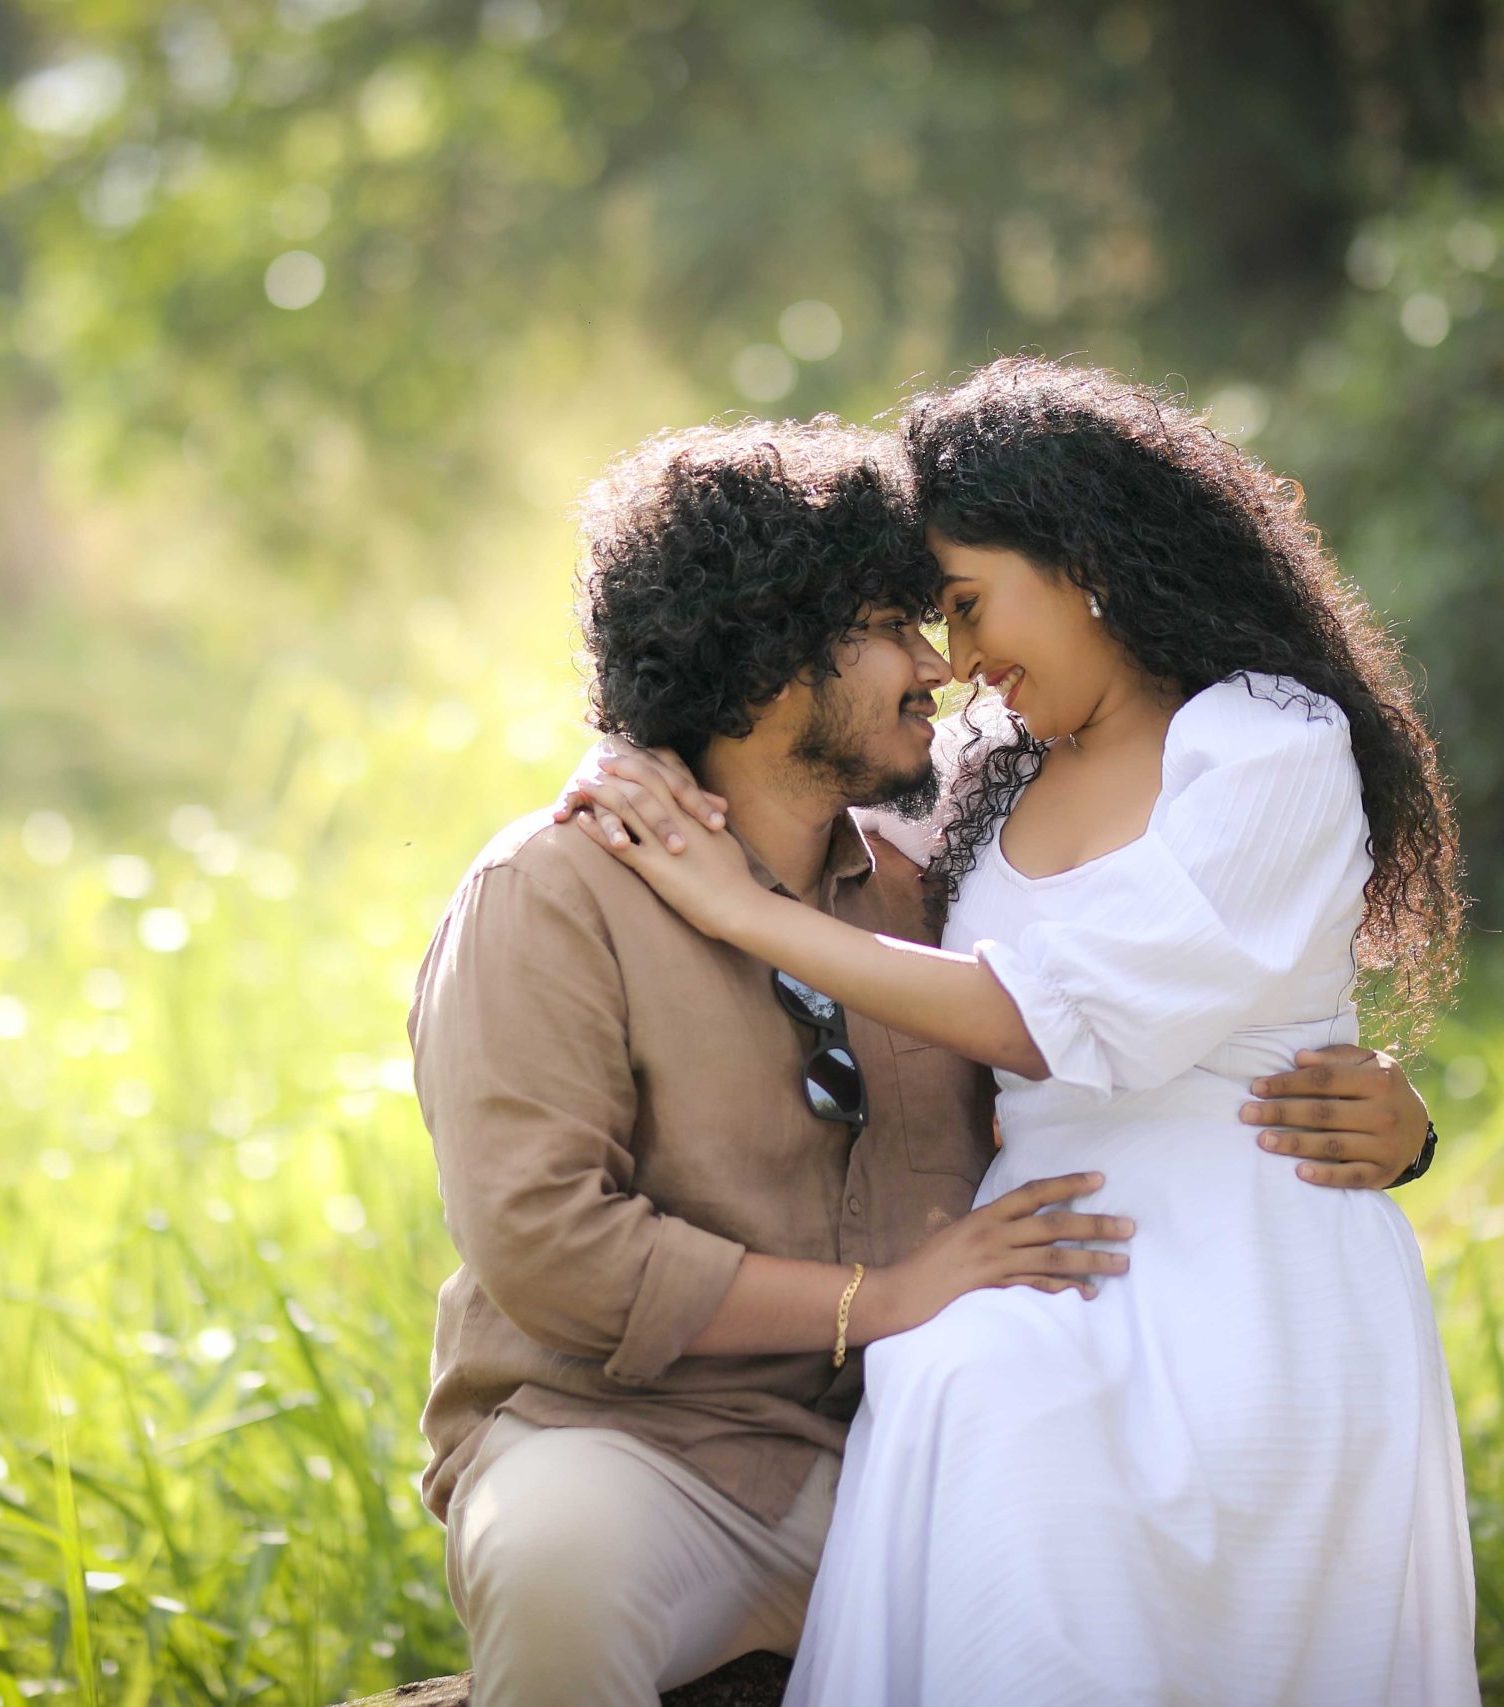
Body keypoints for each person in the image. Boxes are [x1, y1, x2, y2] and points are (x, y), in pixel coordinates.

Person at [410, 412, 1441, 1707]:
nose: (943, 669)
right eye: (907, 624)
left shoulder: (922, 887)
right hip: (644, 1446)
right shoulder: (560, 894)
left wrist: (1393, 1122)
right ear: (772, 655)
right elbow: (551, 1244)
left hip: (897, 1433)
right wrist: (874, 1302)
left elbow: (1098, 1006)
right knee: (564, 1577)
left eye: (949, 616)